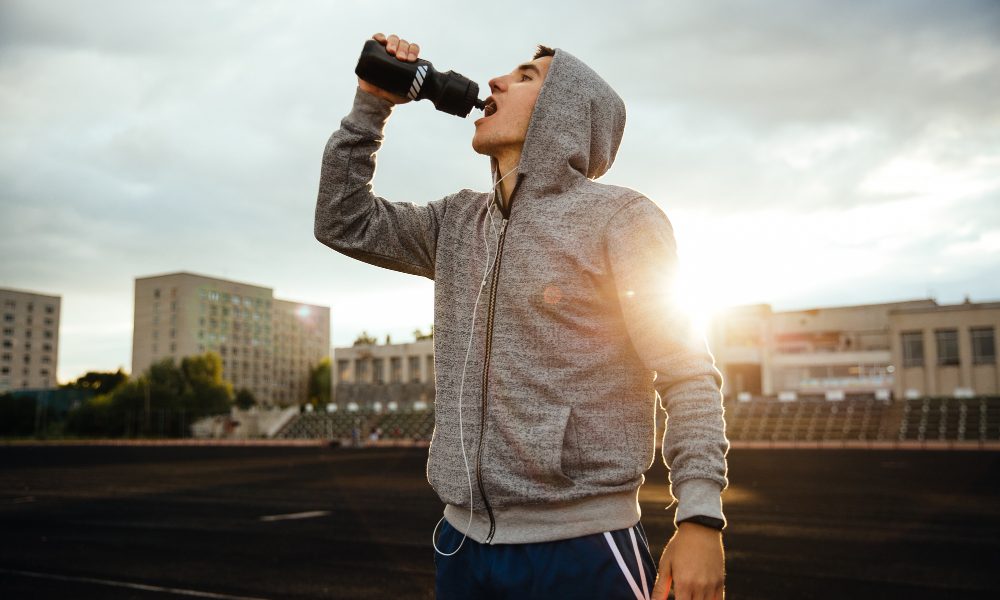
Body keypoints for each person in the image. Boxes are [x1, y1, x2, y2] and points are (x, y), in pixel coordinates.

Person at [315, 32, 729, 600]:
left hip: (583, 548)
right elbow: (343, 220)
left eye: (525, 76)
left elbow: (687, 373)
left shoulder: (621, 220)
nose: (495, 82)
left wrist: (700, 518)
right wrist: (372, 103)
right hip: (462, 546)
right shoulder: (455, 222)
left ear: (564, 111)